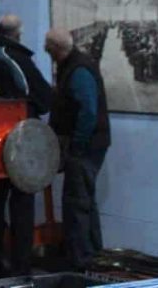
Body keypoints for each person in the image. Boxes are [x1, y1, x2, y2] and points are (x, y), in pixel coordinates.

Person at [0, 14, 55, 276]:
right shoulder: (18, 60)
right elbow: (43, 98)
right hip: (19, 141)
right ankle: (21, 266)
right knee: (22, 204)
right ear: (18, 34)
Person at [45, 27, 110, 270]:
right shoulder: (74, 65)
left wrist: (78, 145)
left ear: (56, 49)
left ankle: (81, 261)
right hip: (90, 144)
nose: (45, 51)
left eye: (48, 48)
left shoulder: (78, 70)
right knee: (85, 201)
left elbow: (88, 112)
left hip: (85, 147)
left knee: (76, 203)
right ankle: (93, 254)